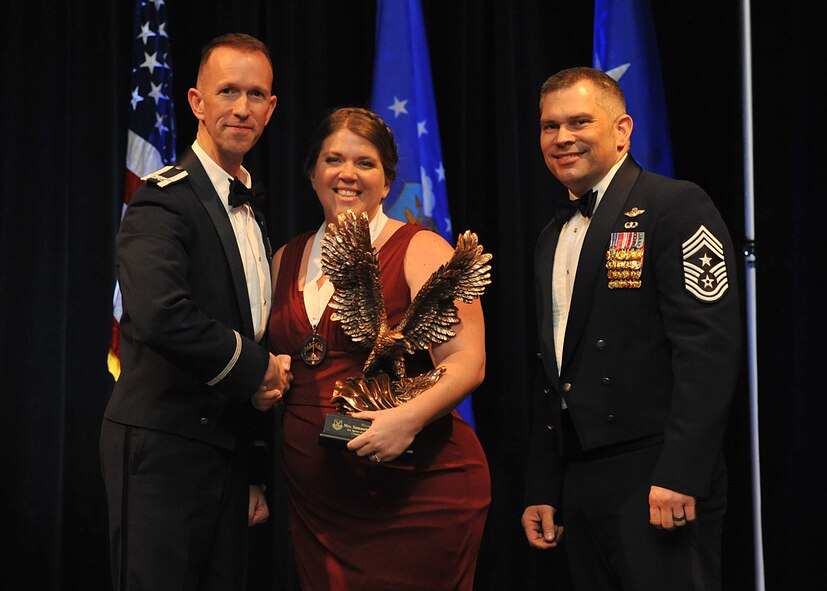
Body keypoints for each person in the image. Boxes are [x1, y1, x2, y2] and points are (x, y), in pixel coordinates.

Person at [521, 67, 741, 590]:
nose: (562, 138)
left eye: (579, 122)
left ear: (622, 130)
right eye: (550, 127)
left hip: (657, 472)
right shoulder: (552, 236)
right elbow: (551, 370)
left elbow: (707, 349)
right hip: (579, 476)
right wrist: (544, 484)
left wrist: (681, 472)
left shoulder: (675, 205)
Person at [268, 107, 490, 590]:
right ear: (312, 174)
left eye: (365, 163)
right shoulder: (284, 257)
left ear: (387, 182)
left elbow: (467, 362)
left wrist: (405, 420)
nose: (348, 174)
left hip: (418, 495)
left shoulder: (422, 247)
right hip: (319, 508)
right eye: (333, 160)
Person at [100, 33, 292, 591]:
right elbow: (161, 314)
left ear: (271, 108)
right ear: (196, 102)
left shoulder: (254, 213)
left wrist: (254, 469)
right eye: (226, 91)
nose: (241, 107)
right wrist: (257, 370)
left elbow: (251, 326)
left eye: (256, 94)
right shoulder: (163, 198)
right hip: (163, 449)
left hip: (227, 457)